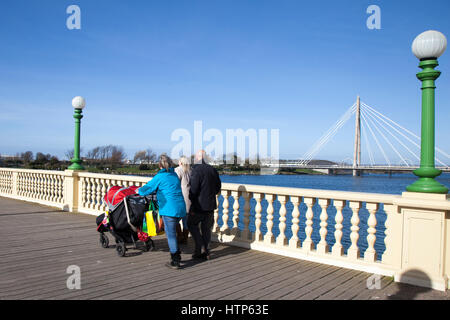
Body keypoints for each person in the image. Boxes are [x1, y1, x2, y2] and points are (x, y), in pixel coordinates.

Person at [138, 154, 186, 269]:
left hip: (169, 209)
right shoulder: (174, 174)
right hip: (181, 208)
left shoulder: (160, 177)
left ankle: (175, 260)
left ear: (160, 165)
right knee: (173, 230)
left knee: (171, 235)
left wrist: (138, 190)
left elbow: (147, 189)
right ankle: (177, 252)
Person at [188, 150, 221, 260]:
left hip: (198, 205)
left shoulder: (196, 170)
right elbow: (218, 187)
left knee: (191, 224)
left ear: (198, 158)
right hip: (210, 205)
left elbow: (193, 189)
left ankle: (201, 247)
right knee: (206, 229)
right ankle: (204, 252)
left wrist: (191, 199)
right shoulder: (212, 169)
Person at [175, 156, 191, 244]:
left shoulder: (178, 170)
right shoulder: (190, 170)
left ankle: (180, 236)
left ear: (180, 162)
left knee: (176, 219)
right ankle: (185, 239)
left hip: (180, 198)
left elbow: (175, 183)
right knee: (186, 221)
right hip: (189, 198)